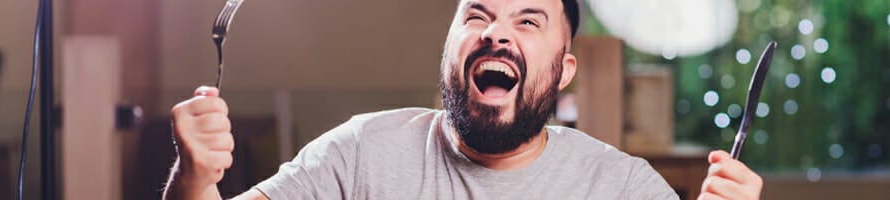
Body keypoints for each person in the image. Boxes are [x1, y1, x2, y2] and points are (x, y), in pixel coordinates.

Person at [163, 0, 764, 199]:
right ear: (451, 47)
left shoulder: (621, 186)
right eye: (477, 14)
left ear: (563, 71)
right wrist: (192, 178)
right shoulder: (361, 152)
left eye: (529, 21)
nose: (497, 32)